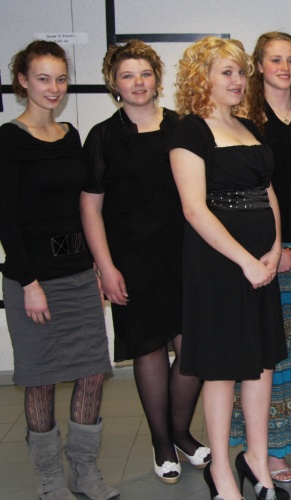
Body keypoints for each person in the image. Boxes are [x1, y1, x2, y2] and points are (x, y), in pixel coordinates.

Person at [80, 40, 209, 485]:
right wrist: (106, 268)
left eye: (145, 73)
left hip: (185, 256)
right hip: (132, 262)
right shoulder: (103, 136)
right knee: (149, 348)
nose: (138, 83)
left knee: (193, 350)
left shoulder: (183, 127)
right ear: (114, 84)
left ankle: (180, 432)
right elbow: (90, 208)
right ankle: (162, 442)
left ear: (157, 78)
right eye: (127, 75)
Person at [169, 36, 289, 500]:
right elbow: (194, 209)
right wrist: (245, 261)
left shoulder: (249, 126)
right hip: (218, 265)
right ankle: (220, 468)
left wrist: (274, 249)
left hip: (261, 264)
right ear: (202, 78)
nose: (238, 80)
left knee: (260, 365)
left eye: (241, 71)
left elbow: (268, 191)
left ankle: (256, 458)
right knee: (220, 369)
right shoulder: (190, 131)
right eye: (227, 72)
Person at [0, 40, 118, 500]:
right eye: (43, 78)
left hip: (78, 274)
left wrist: (96, 267)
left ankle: (84, 472)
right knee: (41, 378)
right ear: (23, 81)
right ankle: (50, 479)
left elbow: (83, 209)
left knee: (92, 373)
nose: (53, 88)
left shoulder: (71, 135)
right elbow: (6, 220)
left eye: (61, 78)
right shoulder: (8, 139)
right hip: (33, 280)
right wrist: (29, 283)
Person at [228, 31, 291, 483]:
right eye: (274, 60)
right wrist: (276, 251)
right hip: (267, 253)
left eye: (290, 60)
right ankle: (269, 450)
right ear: (258, 66)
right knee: (273, 358)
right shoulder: (244, 118)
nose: (284, 68)